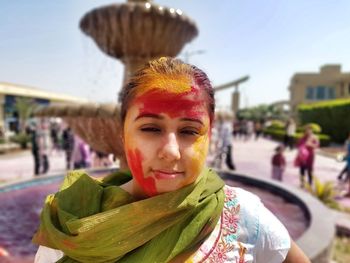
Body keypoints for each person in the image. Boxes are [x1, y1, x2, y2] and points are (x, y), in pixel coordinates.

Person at [33, 57, 310, 263]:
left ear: (209, 135)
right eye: (151, 128)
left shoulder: (244, 214)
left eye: (190, 131)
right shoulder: (73, 222)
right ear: (123, 132)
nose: (171, 151)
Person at [337, 132, 350, 196]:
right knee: (348, 173)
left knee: (347, 171)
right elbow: (347, 151)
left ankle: (345, 187)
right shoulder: (348, 142)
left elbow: (346, 151)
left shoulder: (348, 142)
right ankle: (345, 189)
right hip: (349, 159)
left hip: (348, 159)